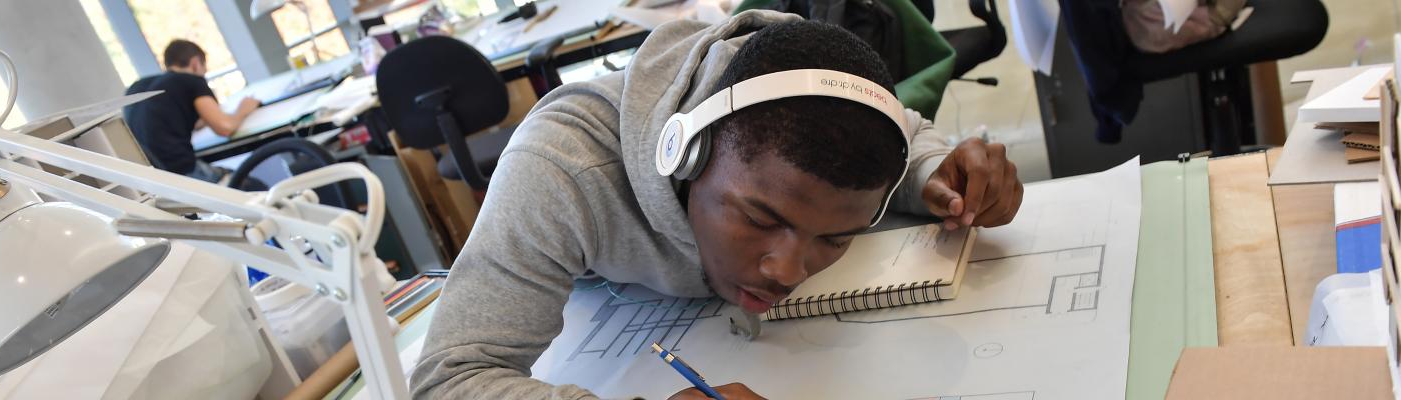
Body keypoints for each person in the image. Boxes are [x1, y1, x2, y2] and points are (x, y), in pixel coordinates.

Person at [412, 11, 1024, 400]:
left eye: (834, 238)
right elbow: (451, 378)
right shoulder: (560, 169)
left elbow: (909, 132)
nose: (788, 272)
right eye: (761, 219)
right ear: (686, 152)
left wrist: (930, 173)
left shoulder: (815, 93)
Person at [123, 39, 260, 182]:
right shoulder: (192, 81)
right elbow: (225, 128)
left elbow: (168, 123)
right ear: (195, 63)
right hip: (183, 173)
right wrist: (243, 110)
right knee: (254, 185)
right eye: (204, 70)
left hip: (151, 178)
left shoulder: (138, 86)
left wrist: (206, 119)